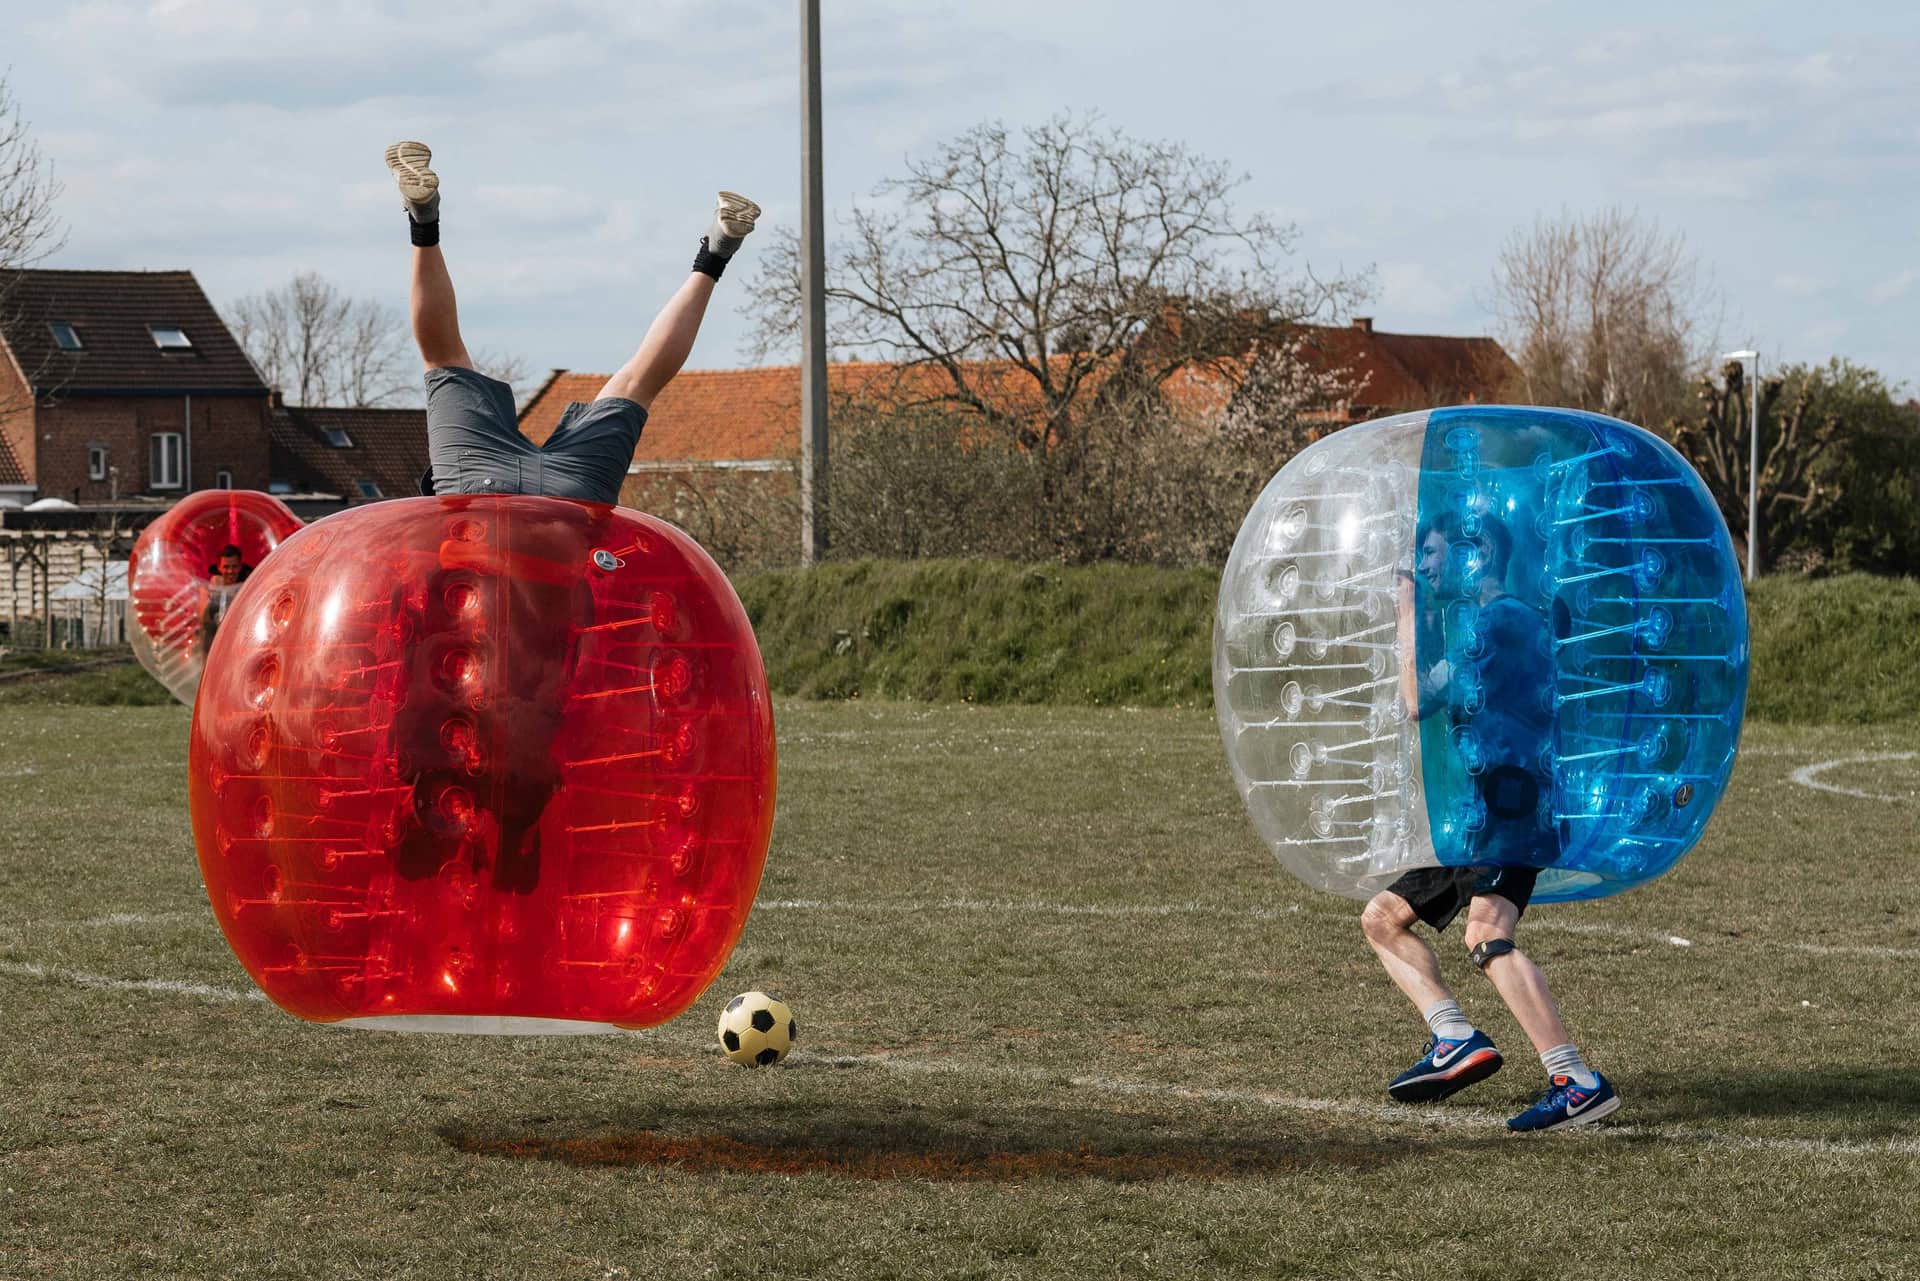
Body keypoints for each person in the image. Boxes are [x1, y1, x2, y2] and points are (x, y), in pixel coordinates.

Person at [1367, 509, 1620, 1132]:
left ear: (1472, 554)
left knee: (1484, 932)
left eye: (1431, 554)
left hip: (1509, 805)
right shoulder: (1496, 623)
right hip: (1493, 810)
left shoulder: (1500, 622)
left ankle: (1576, 1079)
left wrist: (1406, 610)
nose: (1423, 568)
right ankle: (1455, 1036)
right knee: (1384, 919)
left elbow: (1416, 700)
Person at [383, 140, 759, 503]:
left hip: (565, 493)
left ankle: (718, 250)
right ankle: (424, 219)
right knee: (443, 356)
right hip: (499, 481)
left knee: (637, 384)